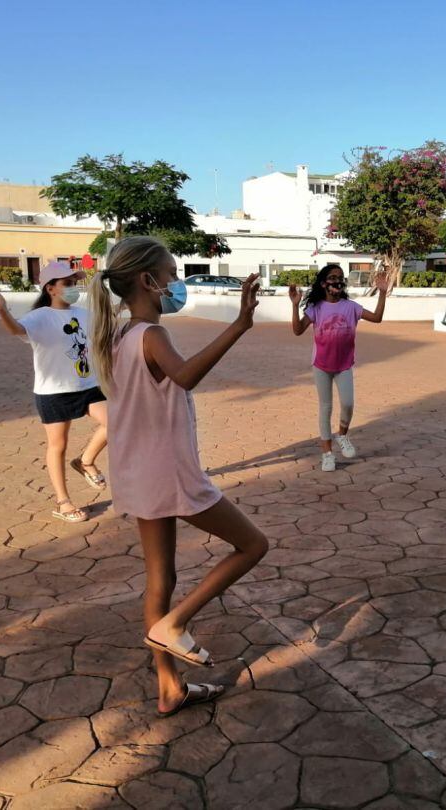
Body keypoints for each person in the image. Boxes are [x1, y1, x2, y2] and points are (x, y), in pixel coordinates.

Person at [88, 236, 268, 716]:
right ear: (148, 281)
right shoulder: (151, 335)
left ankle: (169, 687)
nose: (176, 282)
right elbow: (185, 376)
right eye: (170, 274)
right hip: (168, 471)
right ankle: (177, 623)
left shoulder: (120, 335)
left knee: (159, 580)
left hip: (137, 472)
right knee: (253, 546)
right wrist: (240, 324)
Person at [0, 261, 108, 523]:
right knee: (58, 445)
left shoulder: (83, 313)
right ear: (50, 288)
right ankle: (63, 502)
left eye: (74, 283)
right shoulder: (39, 317)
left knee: (116, 421)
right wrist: (2, 311)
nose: (73, 288)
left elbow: (104, 329)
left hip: (88, 386)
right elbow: (17, 330)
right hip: (54, 392)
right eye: (67, 284)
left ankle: (85, 461)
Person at [289, 263, 388, 471]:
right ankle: (327, 454)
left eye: (340, 277)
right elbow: (297, 330)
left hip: (344, 365)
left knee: (348, 404)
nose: (337, 281)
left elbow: (377, 318)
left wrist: (382, 293)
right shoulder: (315, 308)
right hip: (322, 366)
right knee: (325, 408)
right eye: (333, 277)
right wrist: (294, 305)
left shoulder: (350, 307)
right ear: (324, 283)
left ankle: (342, 435)